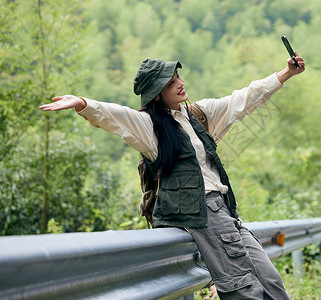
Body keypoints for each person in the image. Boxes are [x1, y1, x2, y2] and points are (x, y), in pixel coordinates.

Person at [40, 52, 305, 299]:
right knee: (243, 288)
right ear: (156, 95)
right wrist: (84, 104)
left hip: (225, 211)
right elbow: (116, 116)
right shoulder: (150, 127)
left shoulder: (199, 115)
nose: (180, 83)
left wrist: (286, 73)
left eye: (177, 77)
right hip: (203, 214)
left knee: (270, 281)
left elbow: (244, 98)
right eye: (170, 83)